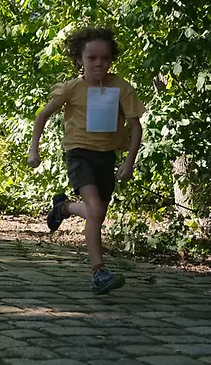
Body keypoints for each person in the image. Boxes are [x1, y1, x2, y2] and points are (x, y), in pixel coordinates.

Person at [29, 28, 144, 295]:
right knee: (94, 209)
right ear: (80, 59)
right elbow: (42, 116)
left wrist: (129, 162)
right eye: (92, 58)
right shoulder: (72, 88)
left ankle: (63, 207)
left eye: (105, 58)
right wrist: (34, 150)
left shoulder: (121, 88)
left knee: (97, 213)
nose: (98, 64)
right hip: (79, 153)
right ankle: (98, 273)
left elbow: (136, 127)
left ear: (111, 59)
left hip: (107, 156)